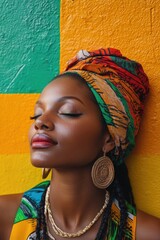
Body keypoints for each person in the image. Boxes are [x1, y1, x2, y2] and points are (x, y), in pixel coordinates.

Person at [0, 48, 160, 240]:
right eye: (37, 113)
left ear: (109, 139)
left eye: (68, 112)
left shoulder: (148, 233)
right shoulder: (5, 218)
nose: (40, 122)